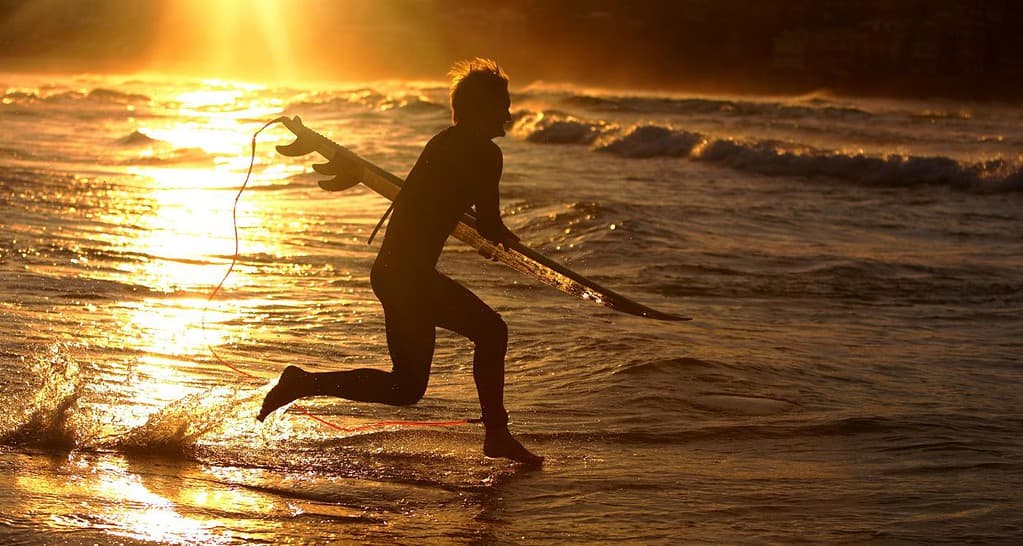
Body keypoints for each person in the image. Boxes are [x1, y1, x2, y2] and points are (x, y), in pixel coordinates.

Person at [257, 58, 543, 466]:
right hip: (410, 277)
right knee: (492, 332)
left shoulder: (442, 141)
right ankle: (496, 434)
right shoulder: (485, 153)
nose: (510, 114)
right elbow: (491, 225)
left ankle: (302, 382)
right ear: (483, 109)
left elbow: (432, 201)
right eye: (504, 105)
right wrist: (504, 240)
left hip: (392, 273)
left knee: (406, 388)